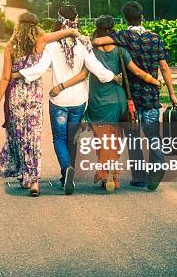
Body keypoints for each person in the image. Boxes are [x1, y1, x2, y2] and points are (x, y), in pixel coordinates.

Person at [11, 5, 122, 195]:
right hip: (79, 101)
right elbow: (96, 69)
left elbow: (39, 69)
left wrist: (17, 74)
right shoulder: (83, 45)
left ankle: (66, 169)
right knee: (72, 139)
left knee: (60, 138)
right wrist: (113, 77)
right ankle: (67, 174)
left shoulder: (52, 47)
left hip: (59, 101)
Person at [50, 15, 161, 192]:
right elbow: (137, 72)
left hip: (99, 101)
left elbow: (83, 74)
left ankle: (106, 175)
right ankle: (112, 175)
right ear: (113, 29)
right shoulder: (121, 50)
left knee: (103, 141)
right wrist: (155, 81)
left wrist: (61, 86)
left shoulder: (91, 50)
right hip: (119, 101)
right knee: (115, 139)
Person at [92, 1, 177, 191]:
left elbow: (97, 42)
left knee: (133, 138)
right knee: (152, 135)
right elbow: (164, 66)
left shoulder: (123, 36)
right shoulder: (155, 38)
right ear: (142, 17)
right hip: (150, 97)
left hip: (130, 98)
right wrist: (172, 93)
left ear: (125, 18)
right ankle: (158, 167)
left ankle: (139, 177)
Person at [0, 12, 78, 197]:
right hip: (34, 97)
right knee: (34, 137)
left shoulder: (10, 47)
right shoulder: (41, 41)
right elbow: (69, 32)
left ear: (18, 25)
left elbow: (5, 77)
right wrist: (75, 33)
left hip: (15, 97)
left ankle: (25, 174)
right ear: (36, 26)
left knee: (20, 136)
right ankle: (34, 181)